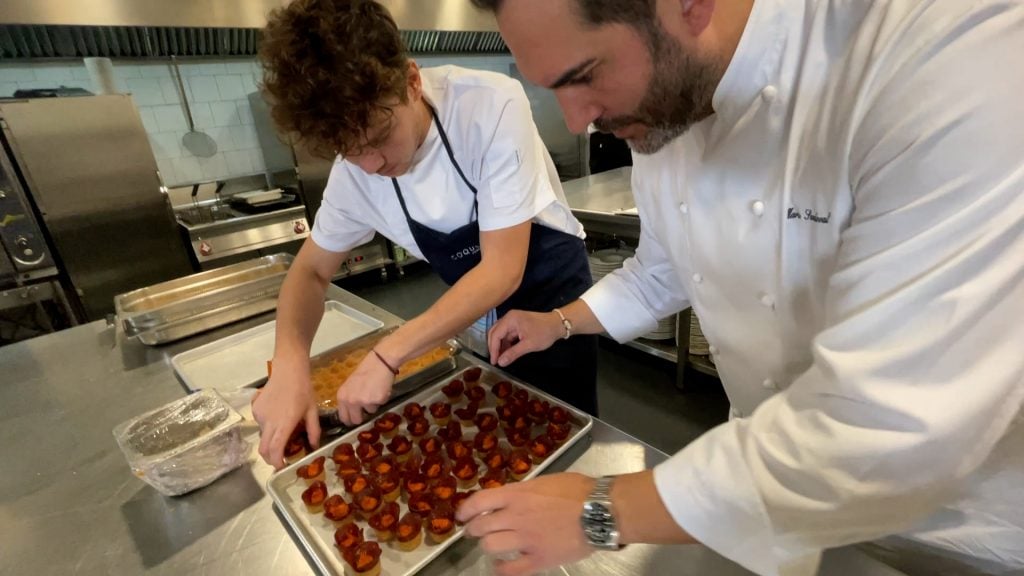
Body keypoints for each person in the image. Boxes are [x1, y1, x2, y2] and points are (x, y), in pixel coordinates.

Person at [458, 0, 1024, 575]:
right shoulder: (664, 106)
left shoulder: (942, 46)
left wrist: (601, 511)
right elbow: (666, 269)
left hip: (953, 532)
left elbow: (891, 427)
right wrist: (558, 322)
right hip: (761, 479)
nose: (576, 120)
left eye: (584, 75)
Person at [251, 0, 598, 469]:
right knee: (494, 438)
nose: (370, 165)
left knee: (561, 439)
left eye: (378, 137)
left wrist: (387, 355)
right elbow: (310, 272)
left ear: (412, 82)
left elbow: (501, 269)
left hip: (547, 291)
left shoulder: (490, 105)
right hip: (471, 307)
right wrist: (290, 366)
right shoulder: (354, 172)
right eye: (348, 151)